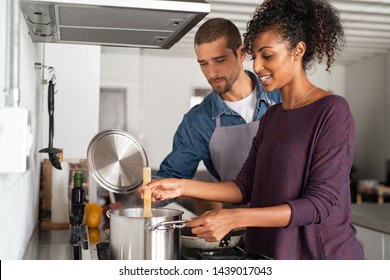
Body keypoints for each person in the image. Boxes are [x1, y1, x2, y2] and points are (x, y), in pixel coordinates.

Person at [144, 0, 364, 260]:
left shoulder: (331, 110)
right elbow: (243, 187)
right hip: (269, 254)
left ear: (298, 51)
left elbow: (319, 205)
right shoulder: (273, 117)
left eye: (267, 55)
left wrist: (234, 217)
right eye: (256, 55)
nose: (257, 66)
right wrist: (180, 186)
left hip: (319, 258)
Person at [154, 18, 280, 210]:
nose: (212, 73)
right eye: (203, 64)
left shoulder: (282, 98)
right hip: (234, 232)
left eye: (220, 60)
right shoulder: (197, 122)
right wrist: (149, 191)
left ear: (241, 53)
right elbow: (171, 178)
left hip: (290, 226)